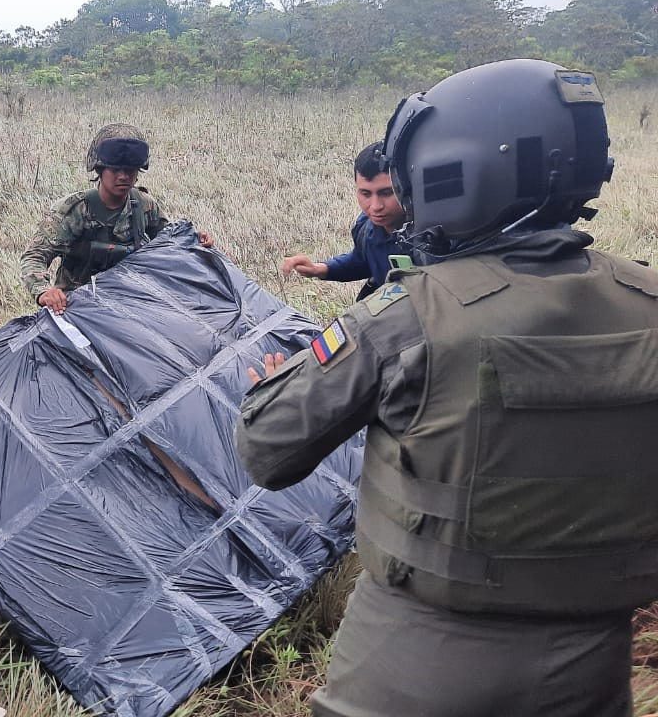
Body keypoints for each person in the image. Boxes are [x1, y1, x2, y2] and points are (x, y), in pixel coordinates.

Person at [234, 59, 658, 717]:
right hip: (593, 665)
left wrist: (272, 388)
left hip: (417, 659)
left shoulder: (407, 316)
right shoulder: (647, 302)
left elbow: (267, 450)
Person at [19, 123, 214, 314]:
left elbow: (170, 243)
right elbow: (34, 256)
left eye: (130, 170)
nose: (123, 176)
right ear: (100, 170)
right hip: (78, 310)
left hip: (132, 305)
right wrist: (44, 292)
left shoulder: (144, 206)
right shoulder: (75, 210)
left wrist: (195, 241)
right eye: (115, 169)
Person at [280, 141, 409, 300]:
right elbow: (363, 261)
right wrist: (320, 269)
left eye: (386, 193)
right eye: (366, 194)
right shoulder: (366, 228)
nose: (375, 206)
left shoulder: (433, 235)